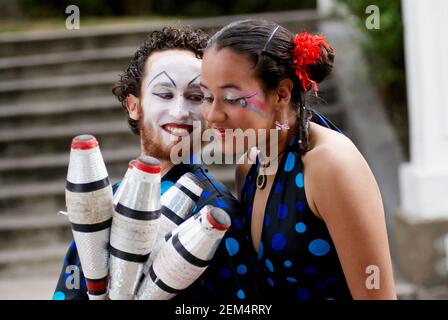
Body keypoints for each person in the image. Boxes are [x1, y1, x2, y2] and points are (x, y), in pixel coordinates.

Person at [53, 26, 256, 302]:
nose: (180, 111)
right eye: (164, 94)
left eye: (196, 97)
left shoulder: (216, 210)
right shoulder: (106, 201)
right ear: (133, 106)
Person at [200, 19, 397, 300]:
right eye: (207, 96)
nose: (212, 115)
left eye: (231, 98)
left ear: (281, 93)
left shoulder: (330, 164)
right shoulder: (249, 164)